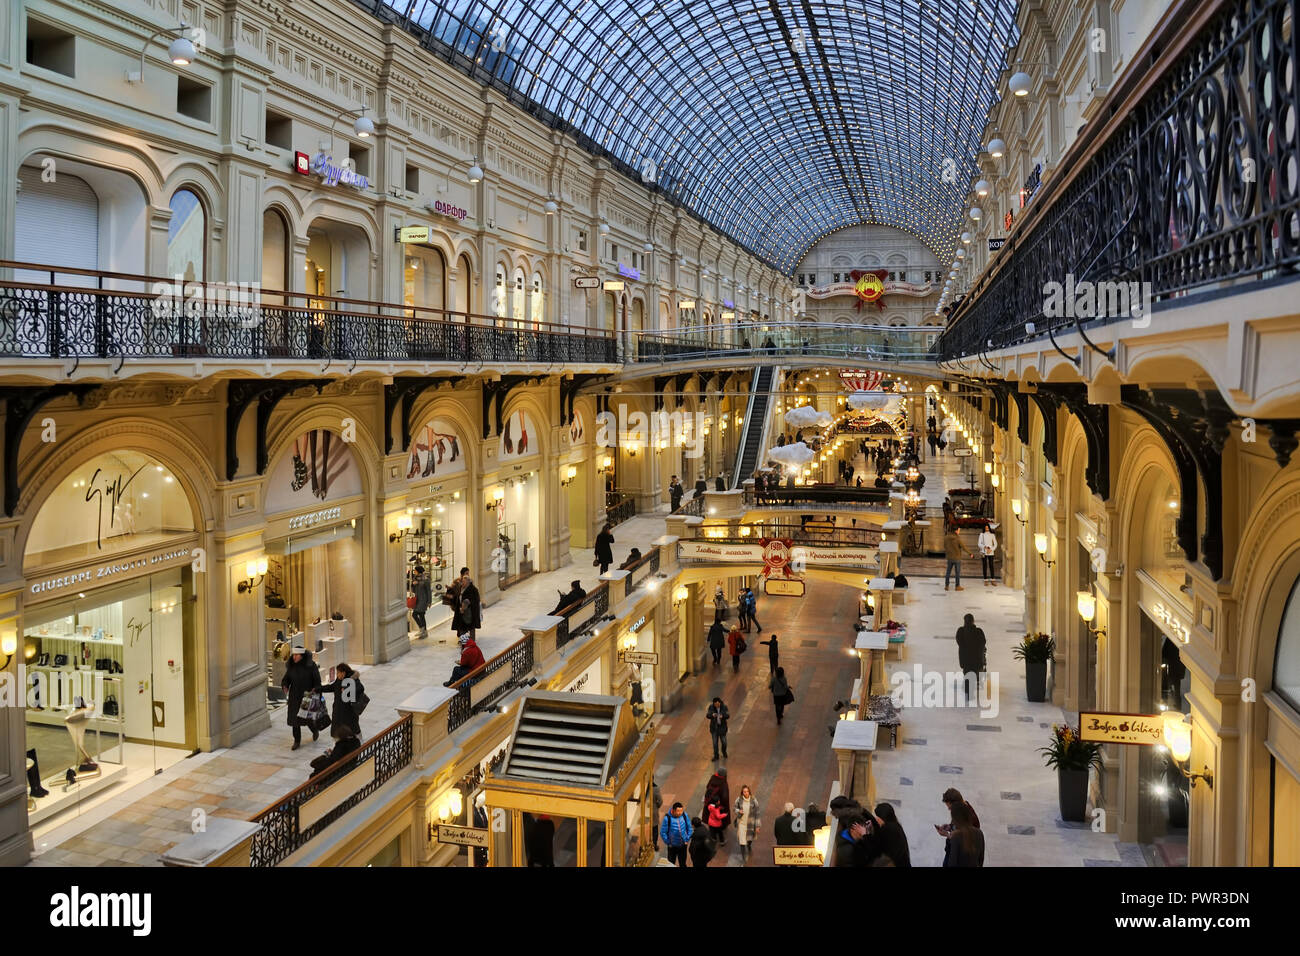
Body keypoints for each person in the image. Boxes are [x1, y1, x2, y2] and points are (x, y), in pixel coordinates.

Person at [281, 645, 322, 750]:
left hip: (307, 696)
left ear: (302, 656)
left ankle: (314, 730)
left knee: (307, 718)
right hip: (294, 697)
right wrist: (285, 685)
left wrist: (316, 691)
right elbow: (286, 679)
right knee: (295, 720)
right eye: (293, 655)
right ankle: (297, 741)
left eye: (297, 655)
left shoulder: (311, 666)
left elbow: (317, 681)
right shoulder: (291, 666)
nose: (294, 657)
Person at [318, 662, 366, 740]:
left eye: (338, 673)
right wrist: (319, 689)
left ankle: (357, 742)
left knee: (352, 728)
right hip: (338, 710)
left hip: (349, 712)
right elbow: (332, 687)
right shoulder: (339, 680)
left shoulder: (353, 680)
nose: (337, 674)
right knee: (337, 730)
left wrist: (348, 690)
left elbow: (360, 688)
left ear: (343, 673)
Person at [955, 614, 987, 704]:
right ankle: (970, 686)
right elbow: (983, 642)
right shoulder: (978, 631)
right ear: (973, 621)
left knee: (966, 672)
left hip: (965, 658)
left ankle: (968, 688)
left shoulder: (961, 631)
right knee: (974, 672)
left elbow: (958, 640)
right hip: (976, 658)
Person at [942, 801, 985, 867]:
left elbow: (951, 863)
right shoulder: (979, 833)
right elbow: (981, 859)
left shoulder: (956, 837)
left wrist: (949, 837)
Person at [872, 803, 912, 867]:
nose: (876, 819)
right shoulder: (896, 826)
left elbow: (876, 848)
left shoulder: (887, 828)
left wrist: (865, 835)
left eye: (878, 816)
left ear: (883, 816)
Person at [702, 768, 731, 845]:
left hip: (710, 802)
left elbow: (707, 786)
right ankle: (721, 839)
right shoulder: (723, 783)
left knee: (711, 817)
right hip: (719, 804)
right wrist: (723, 807)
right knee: (719, 825)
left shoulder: (713, 777)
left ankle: (713, 837)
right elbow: (724, 797)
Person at [659, 802, 692, 867]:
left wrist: (687, 839)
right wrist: (668, 842)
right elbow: (663, 832)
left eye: (681, 811)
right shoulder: (667, 818)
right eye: (678, 811)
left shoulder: (684, 815)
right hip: (672, 847)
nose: (680, 813)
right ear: (673, 811)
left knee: (682, 863)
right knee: (671, 863)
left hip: (683, 845)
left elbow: (689, 828)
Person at [734, 785, 761, 864]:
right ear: (742, 792)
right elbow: (734, 808)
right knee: (742, 842)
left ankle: (749, 845)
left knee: (749, 839)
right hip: (741, 824)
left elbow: (758, 813)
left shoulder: (754, 800)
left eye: (747, 791)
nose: (746, 793)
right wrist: (738, 811)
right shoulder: (739, 800)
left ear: (749, 792)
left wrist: (758, 826)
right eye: (744, 792)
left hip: (750, 824)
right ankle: (744, 857)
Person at [944, 526, 974, 591]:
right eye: (959, 530)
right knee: (957, 573)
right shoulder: (957, 538)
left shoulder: (946, 537)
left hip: (949, 558)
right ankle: (957, 586)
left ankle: (946, 586)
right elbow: (964, 547)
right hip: (957, 558)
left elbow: (945, 546)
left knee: (948, 572)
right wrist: (970, 553)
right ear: (956, 531)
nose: (959, 532)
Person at [455, 568, 482, 639]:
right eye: (462, 582)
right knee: (462, 627)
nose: (462, 583)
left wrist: (465, 606)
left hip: (470, 612)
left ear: (468, 582)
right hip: (462, 612)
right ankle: (463, 640)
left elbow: (474, 600)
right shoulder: (460, 587)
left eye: (464, 582)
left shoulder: (473, 590)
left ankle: (471, 641)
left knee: (471, 627)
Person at [410, 564, 432, 640]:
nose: (414, 572)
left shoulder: (426, 579)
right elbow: (412, 589)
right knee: (419, 615)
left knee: (417, 614)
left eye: (415, 571)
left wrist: (429, 601)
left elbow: (429, 591)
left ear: (418, 571)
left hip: (423, 600)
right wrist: (413, 584)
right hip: (417, 599)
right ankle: (423, 630)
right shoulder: (415, 578)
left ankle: (422, 629)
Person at [706, 696, 730, 761]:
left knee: (724, 742)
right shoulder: (711, 707)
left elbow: (728, 715)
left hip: (722, 728)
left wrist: (723, 716)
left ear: (719, 703)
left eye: (717, 704)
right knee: (715, 743)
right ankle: (716, 756)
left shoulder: (724, 707)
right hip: (714, 728)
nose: (716, 706)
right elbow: (707, 715)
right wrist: (712, 715)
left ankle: (724, 751)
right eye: (715, 704)